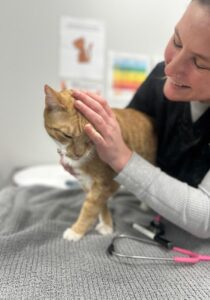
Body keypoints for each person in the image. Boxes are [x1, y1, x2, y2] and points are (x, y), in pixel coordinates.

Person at [67, 0, 210, 238]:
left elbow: (205, 217)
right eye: (176, 41)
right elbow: (120, 141)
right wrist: (89, 155)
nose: (171, 68)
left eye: (200, 62)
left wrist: (122, 159)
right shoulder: (158, 79)